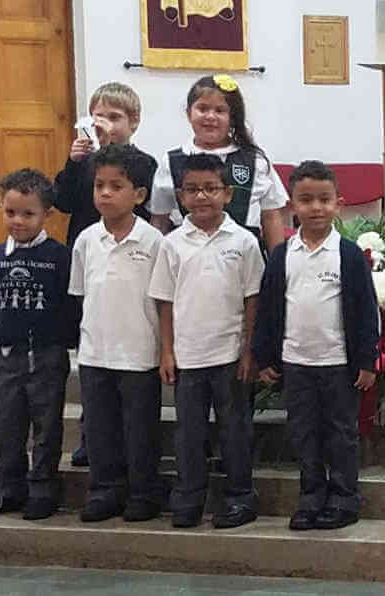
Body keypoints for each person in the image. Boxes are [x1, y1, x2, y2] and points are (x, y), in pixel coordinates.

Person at [253, 160, 378, 531]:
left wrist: (367, 360)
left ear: (339, 203)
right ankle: (310, 498)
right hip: (296, 365)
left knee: (340, 434)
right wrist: (265, 356)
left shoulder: (349, 255)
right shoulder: (281, 256)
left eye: (324, 199)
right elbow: (269, 309)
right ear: (292, 205)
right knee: (303, 435)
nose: (316, 207)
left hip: (338, 365)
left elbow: (366, 311)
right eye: (306, 200)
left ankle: (343, 499)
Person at [148, 153, 264, 529]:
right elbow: (164, 301)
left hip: (231, 356)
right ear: (180, 196)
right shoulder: (172, 244)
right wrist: (167, 351)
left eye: (211, 188)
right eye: (193, 190)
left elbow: (253, 300)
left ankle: (240, 499)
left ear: (228, 193)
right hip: (188, 357)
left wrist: (249, 351)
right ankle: (188, 500)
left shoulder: (244, 241)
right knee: (189, 435)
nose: (202, 197)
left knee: (235, 431)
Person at [52, 81, 157, 468]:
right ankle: (90, 437)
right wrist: (74, 162)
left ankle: (132, 445)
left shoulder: (143, 163)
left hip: (129, 269)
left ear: (134, 122)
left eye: (115, 117)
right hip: (89, 260)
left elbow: (146, 215)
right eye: (100, 116)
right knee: (91, 354)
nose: (106, 124)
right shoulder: (85, 164)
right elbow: (61, 201)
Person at [70, 144, 164, 523]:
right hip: (95, 354)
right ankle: (104, 491)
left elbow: (163, 302)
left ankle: (143, 493)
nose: (105, 193)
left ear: (139, 195)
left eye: (116, 186)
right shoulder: (86, 240)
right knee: (100, 430)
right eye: (99, 185)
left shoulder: (155, 242)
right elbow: (79, 296)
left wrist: (165, 351)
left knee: (140, 431)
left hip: (140, 353)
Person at [0, 169, 78, 520]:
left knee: (46, 427)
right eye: (10, 212)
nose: (18, 221)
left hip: (47, 356)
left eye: (28, 213)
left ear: (46, 215)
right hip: (8, 358)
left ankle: (43, 490)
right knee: (6, 427)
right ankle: (9, 489)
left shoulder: (59, 258)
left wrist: (59, 339)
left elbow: (69, 304)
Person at [149, 74, 288, 251]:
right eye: (202, 108)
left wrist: (278, 266)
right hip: (187, 257)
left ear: (233, 116)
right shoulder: (171, 161)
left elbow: (271, 217)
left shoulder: (255, 160)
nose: (210, 116)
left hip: (243, 258)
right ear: (188, 113)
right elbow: (159, 220)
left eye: (220, 110)